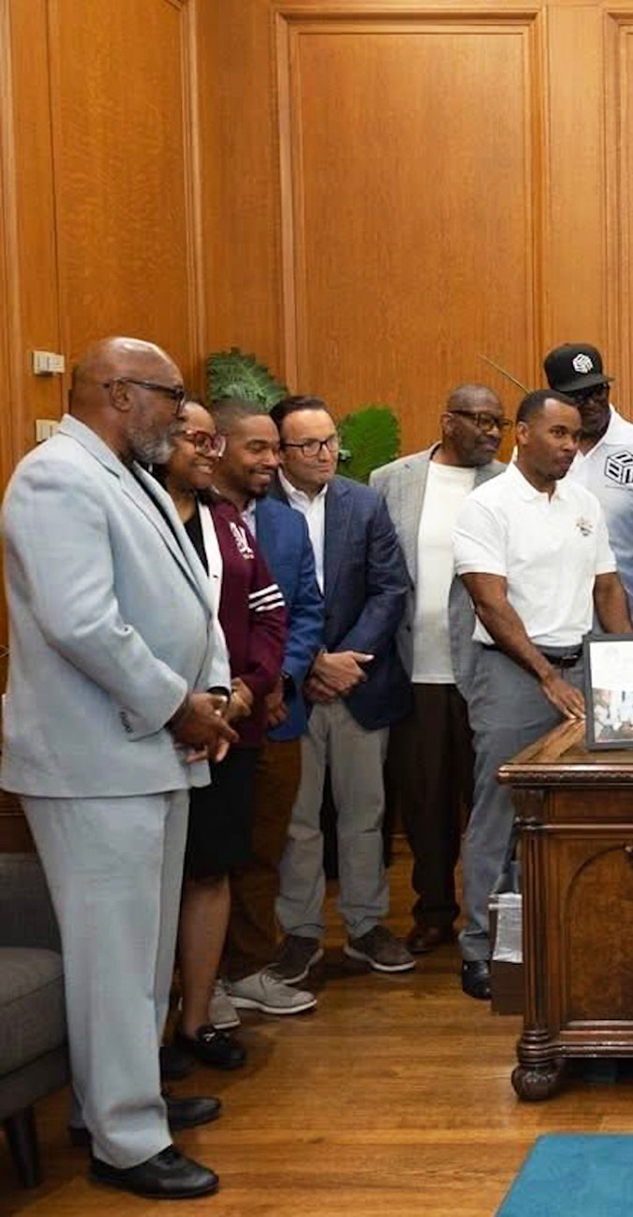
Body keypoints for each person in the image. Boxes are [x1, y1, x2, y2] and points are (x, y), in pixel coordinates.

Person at [2, 337, 236, 1199]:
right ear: (118, 391)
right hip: (96, 757)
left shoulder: (128, 474)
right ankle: (126, 1140)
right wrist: (179, 703)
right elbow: (83, 622)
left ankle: (114, 1103)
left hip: (147, 750)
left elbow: (193, 600)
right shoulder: (55, 478)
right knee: (114, 955)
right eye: (171, 395)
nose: (181, 411)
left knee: (141, 953)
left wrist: (213, 692)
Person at [452, 389, 633, 1000]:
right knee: (499, 810)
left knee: (577, 811)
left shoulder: (584, 503)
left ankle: (556, 932)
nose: (569, 446)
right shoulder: (487, 505)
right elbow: (489, 602)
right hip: (514, 674)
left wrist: (628, 664)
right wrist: (546, 676)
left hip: (581, 670)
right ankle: (481, 946)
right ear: (522, 433)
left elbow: (607, 588)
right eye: (557, 433)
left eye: (576, 436)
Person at [156, 403, 288, 1075]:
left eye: (215, 440)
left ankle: (197, 1020)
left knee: (212, 868)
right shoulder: (138, 515)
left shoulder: (227, 522)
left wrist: (246, 688)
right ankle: (147, 1033)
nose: (209, 451)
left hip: (231, 725)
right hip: (156, 724)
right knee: (156, 880)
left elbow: (270, 613)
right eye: (197, 439)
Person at [267, 396, 414, 980]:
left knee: (364, 814)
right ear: (280, 451)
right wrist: (309, 664)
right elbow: (255, 603)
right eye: (309, 444)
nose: (325, 453)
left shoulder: (364, 503)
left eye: (330, 441)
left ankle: (365, 925)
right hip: (290, 687)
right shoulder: (255, 506)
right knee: (298, 820)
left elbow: (390, 588)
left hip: (359, 680)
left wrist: (346, 660)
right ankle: (300, 933)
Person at [370, 385, 508, 956]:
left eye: (498, 422)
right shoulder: (390, 480)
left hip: (487, 669)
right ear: (447, 421)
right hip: (415, 670)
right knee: (425, 804)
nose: (492, 432)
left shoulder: (508, 484)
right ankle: (432, 912)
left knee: (489, 804)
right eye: (480, 420)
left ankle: (493, 917)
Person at [208, 400, 323, 1020]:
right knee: (209, 855)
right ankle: (202, 982)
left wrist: (278, 679)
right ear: (218, 446)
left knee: (263, 849)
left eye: (276, 448)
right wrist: (237, 689)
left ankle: (249, 969)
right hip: (209, 716)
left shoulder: (286, 523)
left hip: (279, 714)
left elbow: (304, 610)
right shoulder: (189, 515)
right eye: (258, 448)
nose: (273, 461)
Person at [545, 342, 633, 629]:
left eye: (598, 392)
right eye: (579, 397)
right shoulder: (537, 452)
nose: (592, 403)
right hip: (558, 626)